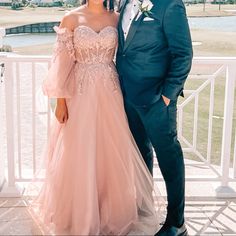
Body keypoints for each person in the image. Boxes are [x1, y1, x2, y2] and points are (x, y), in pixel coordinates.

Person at [28, 0, 164, 235]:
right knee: (80, 151)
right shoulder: (70, 18)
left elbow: (129, 53)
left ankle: (111, 211)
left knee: (110, 152)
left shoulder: (117, 17)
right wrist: (60, 100)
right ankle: (81, 212)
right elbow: (61, 63)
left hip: (111, 93)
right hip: (80, 95)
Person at [116, 0, 193, 235]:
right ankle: (145, 207)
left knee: (169, 158)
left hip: (157, 100)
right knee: (140, 154)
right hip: (128, 96)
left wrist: (168, 96)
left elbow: (183, 54)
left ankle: (176, 222)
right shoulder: (124, 3)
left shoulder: (170, 5)